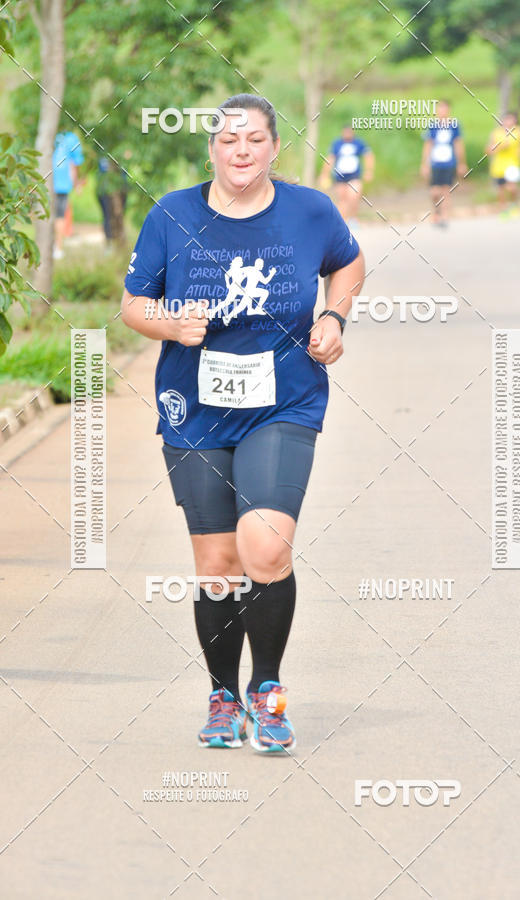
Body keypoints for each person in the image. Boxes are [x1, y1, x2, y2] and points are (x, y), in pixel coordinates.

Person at [121, 93, 365, 754]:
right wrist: (170, 323)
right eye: (229, 140)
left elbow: (348, 262)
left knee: (266, 548)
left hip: (284, 402)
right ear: (211, 149)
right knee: (219, 564)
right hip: (196, 410)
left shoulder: (309, 210)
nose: (241, 151)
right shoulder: (173, 215)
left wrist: (334, 316)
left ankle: (268, 690)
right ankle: (223, 696)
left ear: (274, 147)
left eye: (255, 139)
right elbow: (134, 304)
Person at [420, 100, 467, 227]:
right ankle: (437, 211)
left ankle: (444, 217)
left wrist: (461, 163)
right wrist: (424, 164)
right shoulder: (433, 125)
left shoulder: (454, 125)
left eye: (444, 108)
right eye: (440, 108)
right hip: (435, 162)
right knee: (434, 192)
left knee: (446, 190)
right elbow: (428, 144)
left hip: (449, 162)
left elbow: (458, 144)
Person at [319, 125, 374, 226]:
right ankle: (343, 222)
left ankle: (353, 219)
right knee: (342, 199)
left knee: (354, 196)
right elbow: (330, 159)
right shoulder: (337, 144)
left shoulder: (359, 143)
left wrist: (369, 171)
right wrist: (324, 175)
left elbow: (368, 156)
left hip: (354, 175)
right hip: (340, 176)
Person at [52, 130, 84, 259]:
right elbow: (75, 164)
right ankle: (58, 248)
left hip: (48, 181)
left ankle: (53, 245)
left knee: (51, 214)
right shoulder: (73, 139)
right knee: (60, 216)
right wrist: (76, 184)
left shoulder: (54, 135)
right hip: (62, 183)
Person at [486, 111, 520, 218]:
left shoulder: (518, 132)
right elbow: (489, 150)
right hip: (499, 165)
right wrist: (500, 147)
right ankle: (503, 210)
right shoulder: (496, 133)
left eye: (511, 119)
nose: (509, 122)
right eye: (507, 119)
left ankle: (514, 205)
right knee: (501, 189)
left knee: (511, 188)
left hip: (513, 164)